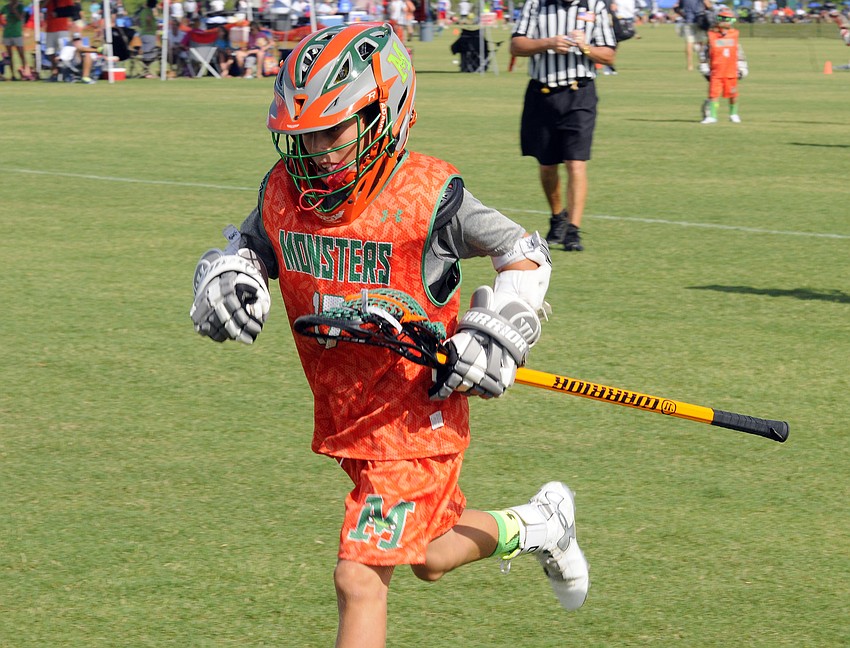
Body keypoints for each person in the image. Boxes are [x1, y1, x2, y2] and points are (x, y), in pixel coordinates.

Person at [189, 23, 590, 648]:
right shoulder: (288, 191)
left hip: (417, 418)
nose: (316, 151)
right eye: (304, 135)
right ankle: (540, 523)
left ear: (384, 114)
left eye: (332, 131)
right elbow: (252, 248)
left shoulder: (428, 197)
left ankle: (542, 523)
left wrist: (496, 334)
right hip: (350, 413)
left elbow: (525, 253)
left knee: (359, 578)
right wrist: (228, 276)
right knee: (428, 554)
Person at [510, 0, 617, 252]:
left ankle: (573, 230)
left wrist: (585, 47)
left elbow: (609, 54)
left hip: (579, 93)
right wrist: (548, 43)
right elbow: (516, 46)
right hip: (542, 93)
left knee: (575, 162)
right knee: (547, 165)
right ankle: (558, 217)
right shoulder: (536, 4)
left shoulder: (595, 6)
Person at [699, 7, 747, 124]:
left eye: (729, 20)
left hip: (731, 71)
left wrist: (742, 66)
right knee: (713, 95)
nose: (727, 22)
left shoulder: (734, 35)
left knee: (733, 94)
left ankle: (733, 114)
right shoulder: (711, 36)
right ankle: (712, 116)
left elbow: (738, 52)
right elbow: (704, 52)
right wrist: (704, 66)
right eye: (724, 19)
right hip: (716, 71)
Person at [673, 0, 711, 71]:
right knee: (701, 44)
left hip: (688, 21)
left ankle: (689, 65)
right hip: (699, 21)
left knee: (689, 43)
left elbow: (677, 7)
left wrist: (684, 15)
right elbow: (708, 5)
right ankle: (702, 63)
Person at [2, 0, 35, 80]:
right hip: (7, 34)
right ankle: (12, 75)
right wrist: (3, 24)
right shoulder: (5, 7)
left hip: (17, 34)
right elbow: (2, 15)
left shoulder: (20, 7)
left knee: (21, 54)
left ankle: (25, 73)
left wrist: (14, 10)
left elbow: (21, 18)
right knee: (9, 56)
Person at [44, 0, 72, 81]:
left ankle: (67, 73)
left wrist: (59, 13)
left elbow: (71, 10)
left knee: (65, 52)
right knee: (50, 52)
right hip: (50, 29)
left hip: (62, 29)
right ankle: (54, 72)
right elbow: (39, 7)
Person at [137, 0, 158, 77]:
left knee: (146, 53)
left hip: (143, 33)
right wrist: (150, 27)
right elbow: (148, 19)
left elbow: (138, 21)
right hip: (149, 34)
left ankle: (146, 71)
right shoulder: (149, 11)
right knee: (149, 54)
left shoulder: (142, 11)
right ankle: (147, 72)